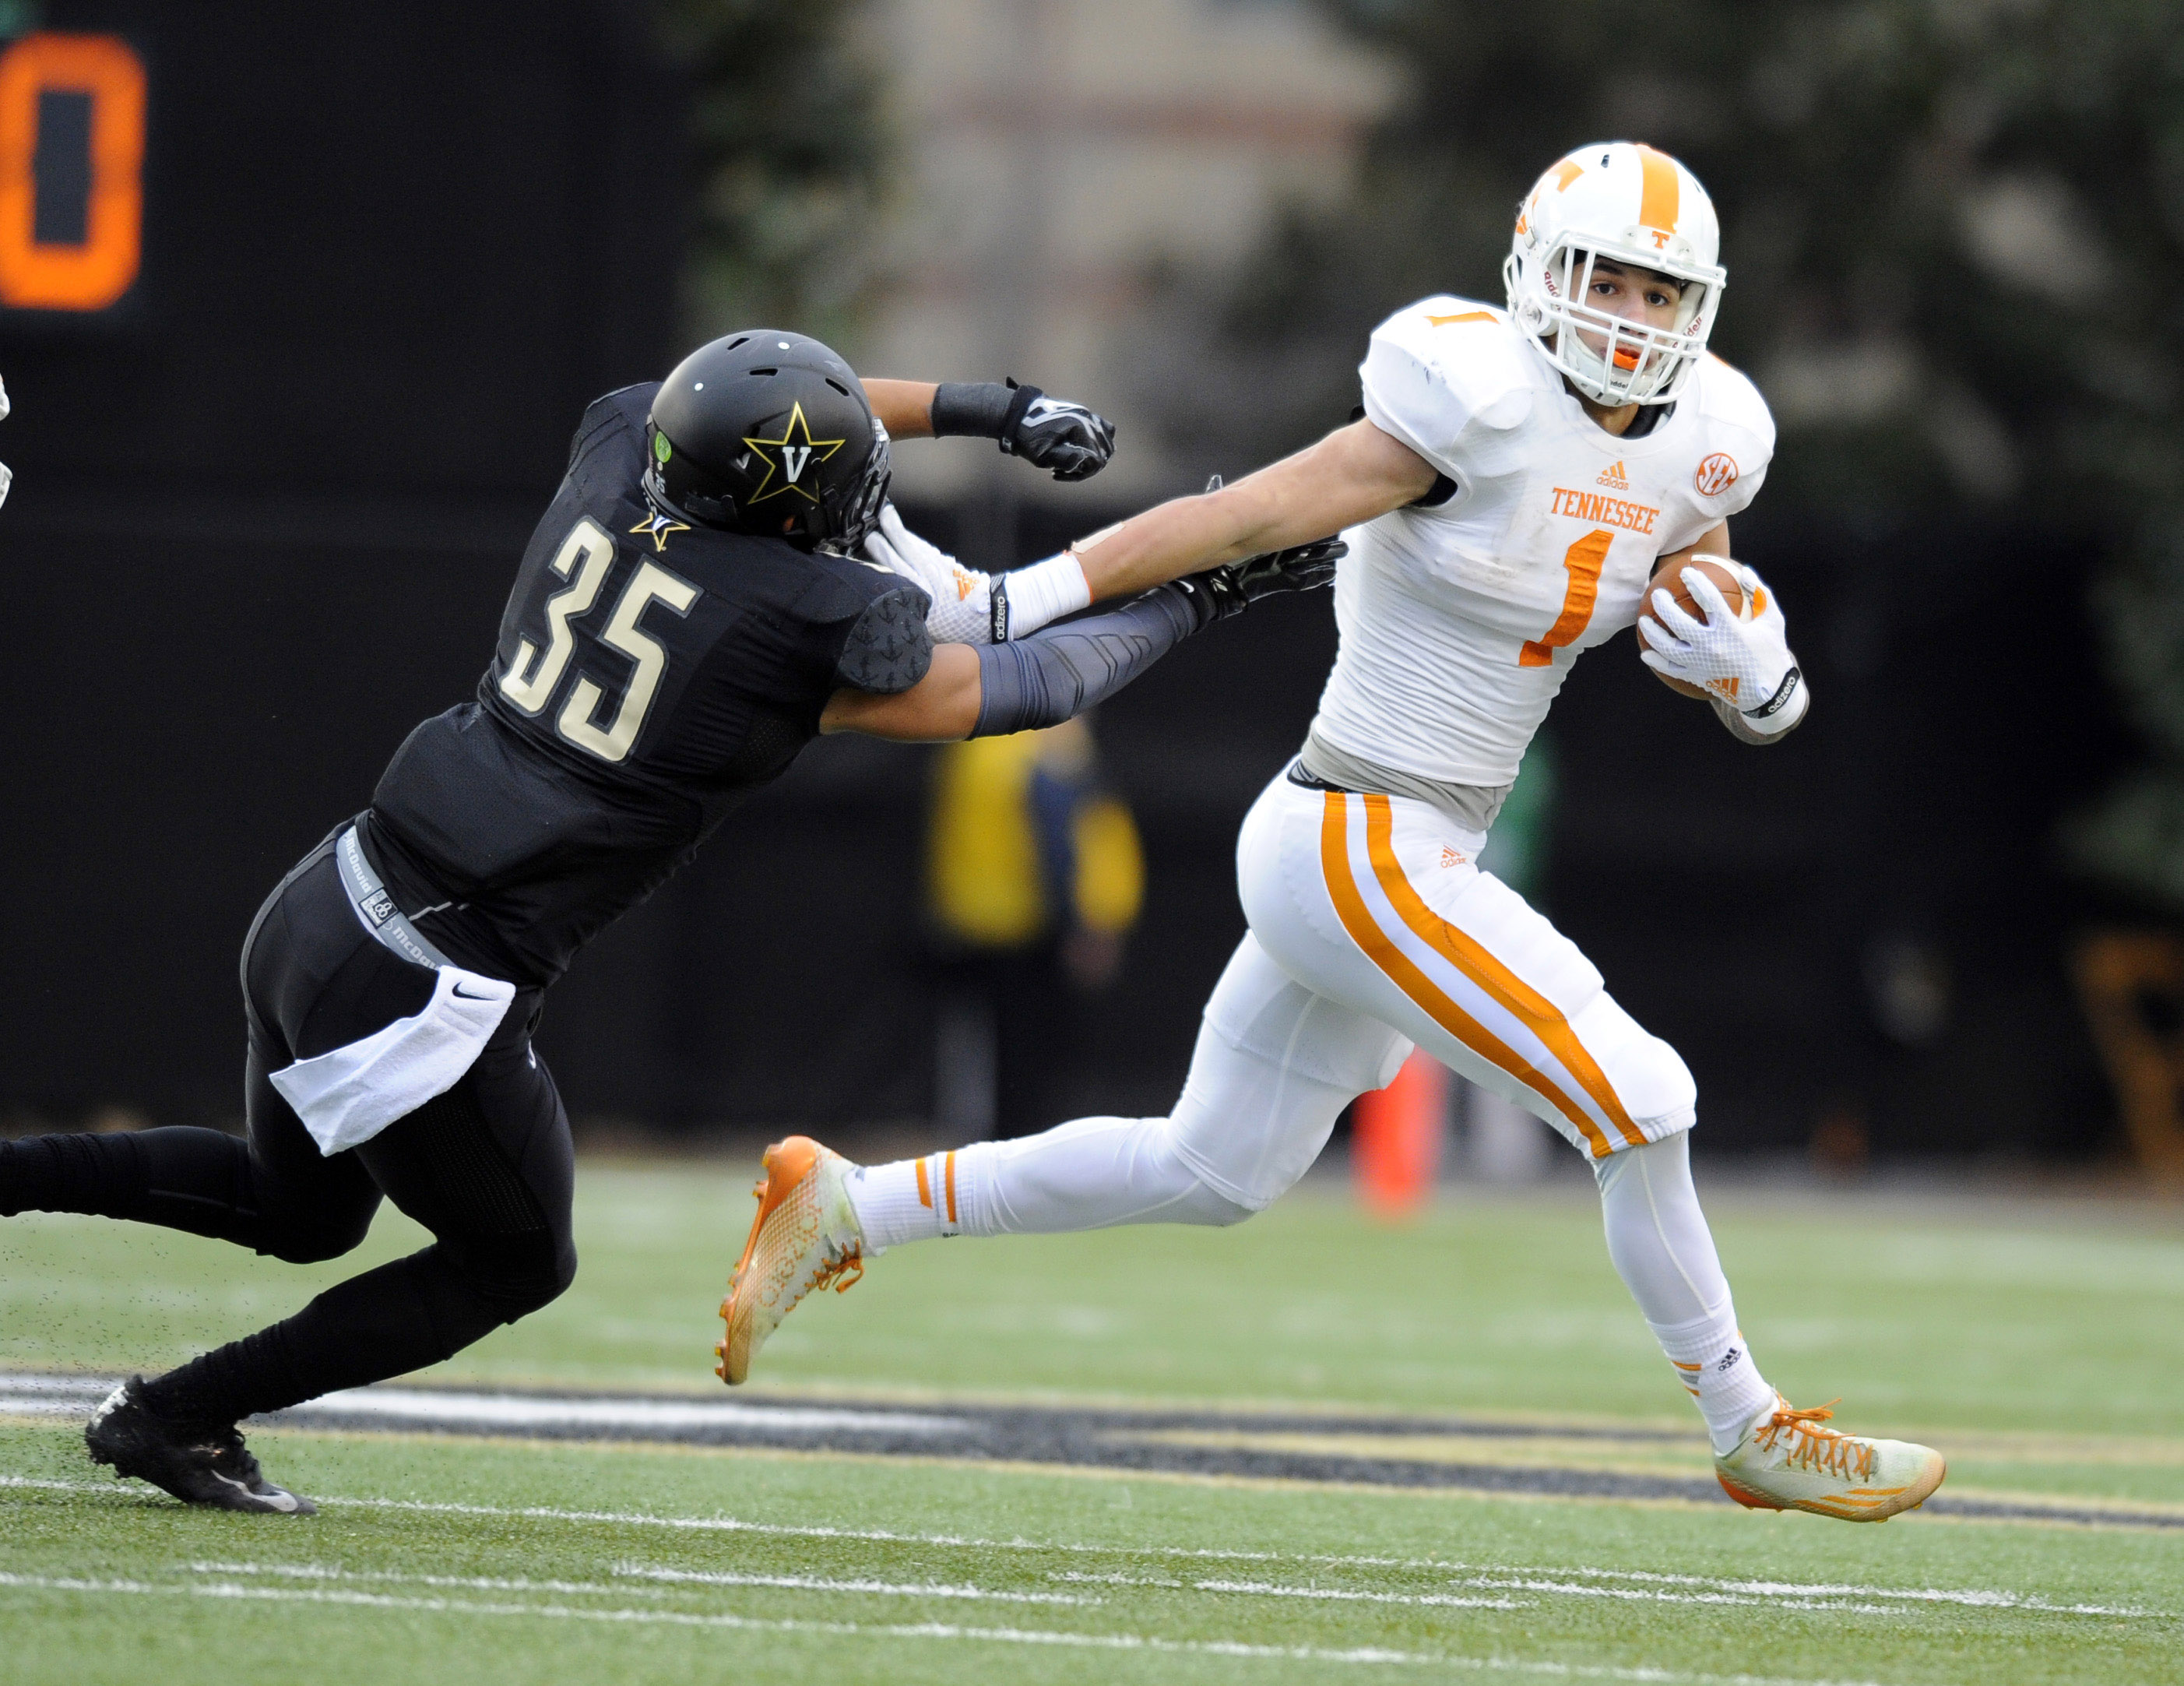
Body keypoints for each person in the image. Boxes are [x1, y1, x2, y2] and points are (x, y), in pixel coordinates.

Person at [724, 144, 1948, 1524]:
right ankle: (1749, 1424)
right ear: (1538, 274)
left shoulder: (1703, 437)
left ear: (1700, 309)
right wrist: (1020, 599)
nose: (1627, 315)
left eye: (1659, 291)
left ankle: (848, 1206)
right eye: (1603, 276)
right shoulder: (1466, 396)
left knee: (1211, 1169)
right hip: (1361, 830)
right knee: (1644, 1096)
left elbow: (1708, 602)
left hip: (1402, 847)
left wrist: (1762, 682)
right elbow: (1238, 515)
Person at [0, 330, 1337, 1514]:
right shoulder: (794, 621)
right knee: (514, 1260)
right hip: (428, 975)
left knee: (293, 1213)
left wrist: (987, 407)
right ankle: (172, 1412)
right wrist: (1199, 594)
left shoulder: (616, 452)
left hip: (334, 890)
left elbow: (764, 401)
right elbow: (1030, 678)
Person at [924, 713, 1144, 1137]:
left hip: (969, 920)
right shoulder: (1050, 736)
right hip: (1028, 925)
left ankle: (979, 1156)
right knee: (1032, 1064)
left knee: (984, 1057)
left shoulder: (968, 735)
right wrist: (1081, 921)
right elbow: (1059, 829)